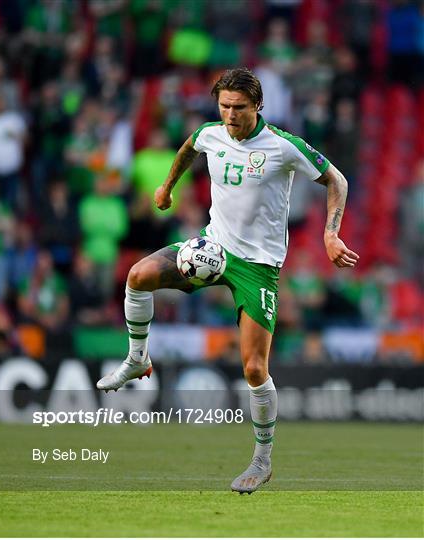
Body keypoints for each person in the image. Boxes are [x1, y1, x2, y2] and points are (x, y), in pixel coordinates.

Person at [97, 68, 359, 493]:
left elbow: (337, 179)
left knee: (255, 368)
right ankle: (138, 358)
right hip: (212, 249)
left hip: (258, 265)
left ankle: (262, 460)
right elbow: (188, 148)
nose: (230, 115)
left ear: (257, 106)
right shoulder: (210, 133)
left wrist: (330, 234)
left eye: (238, 107)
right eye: (224, 106)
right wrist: (166, 187)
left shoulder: (282, 146)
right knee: (138, 275)